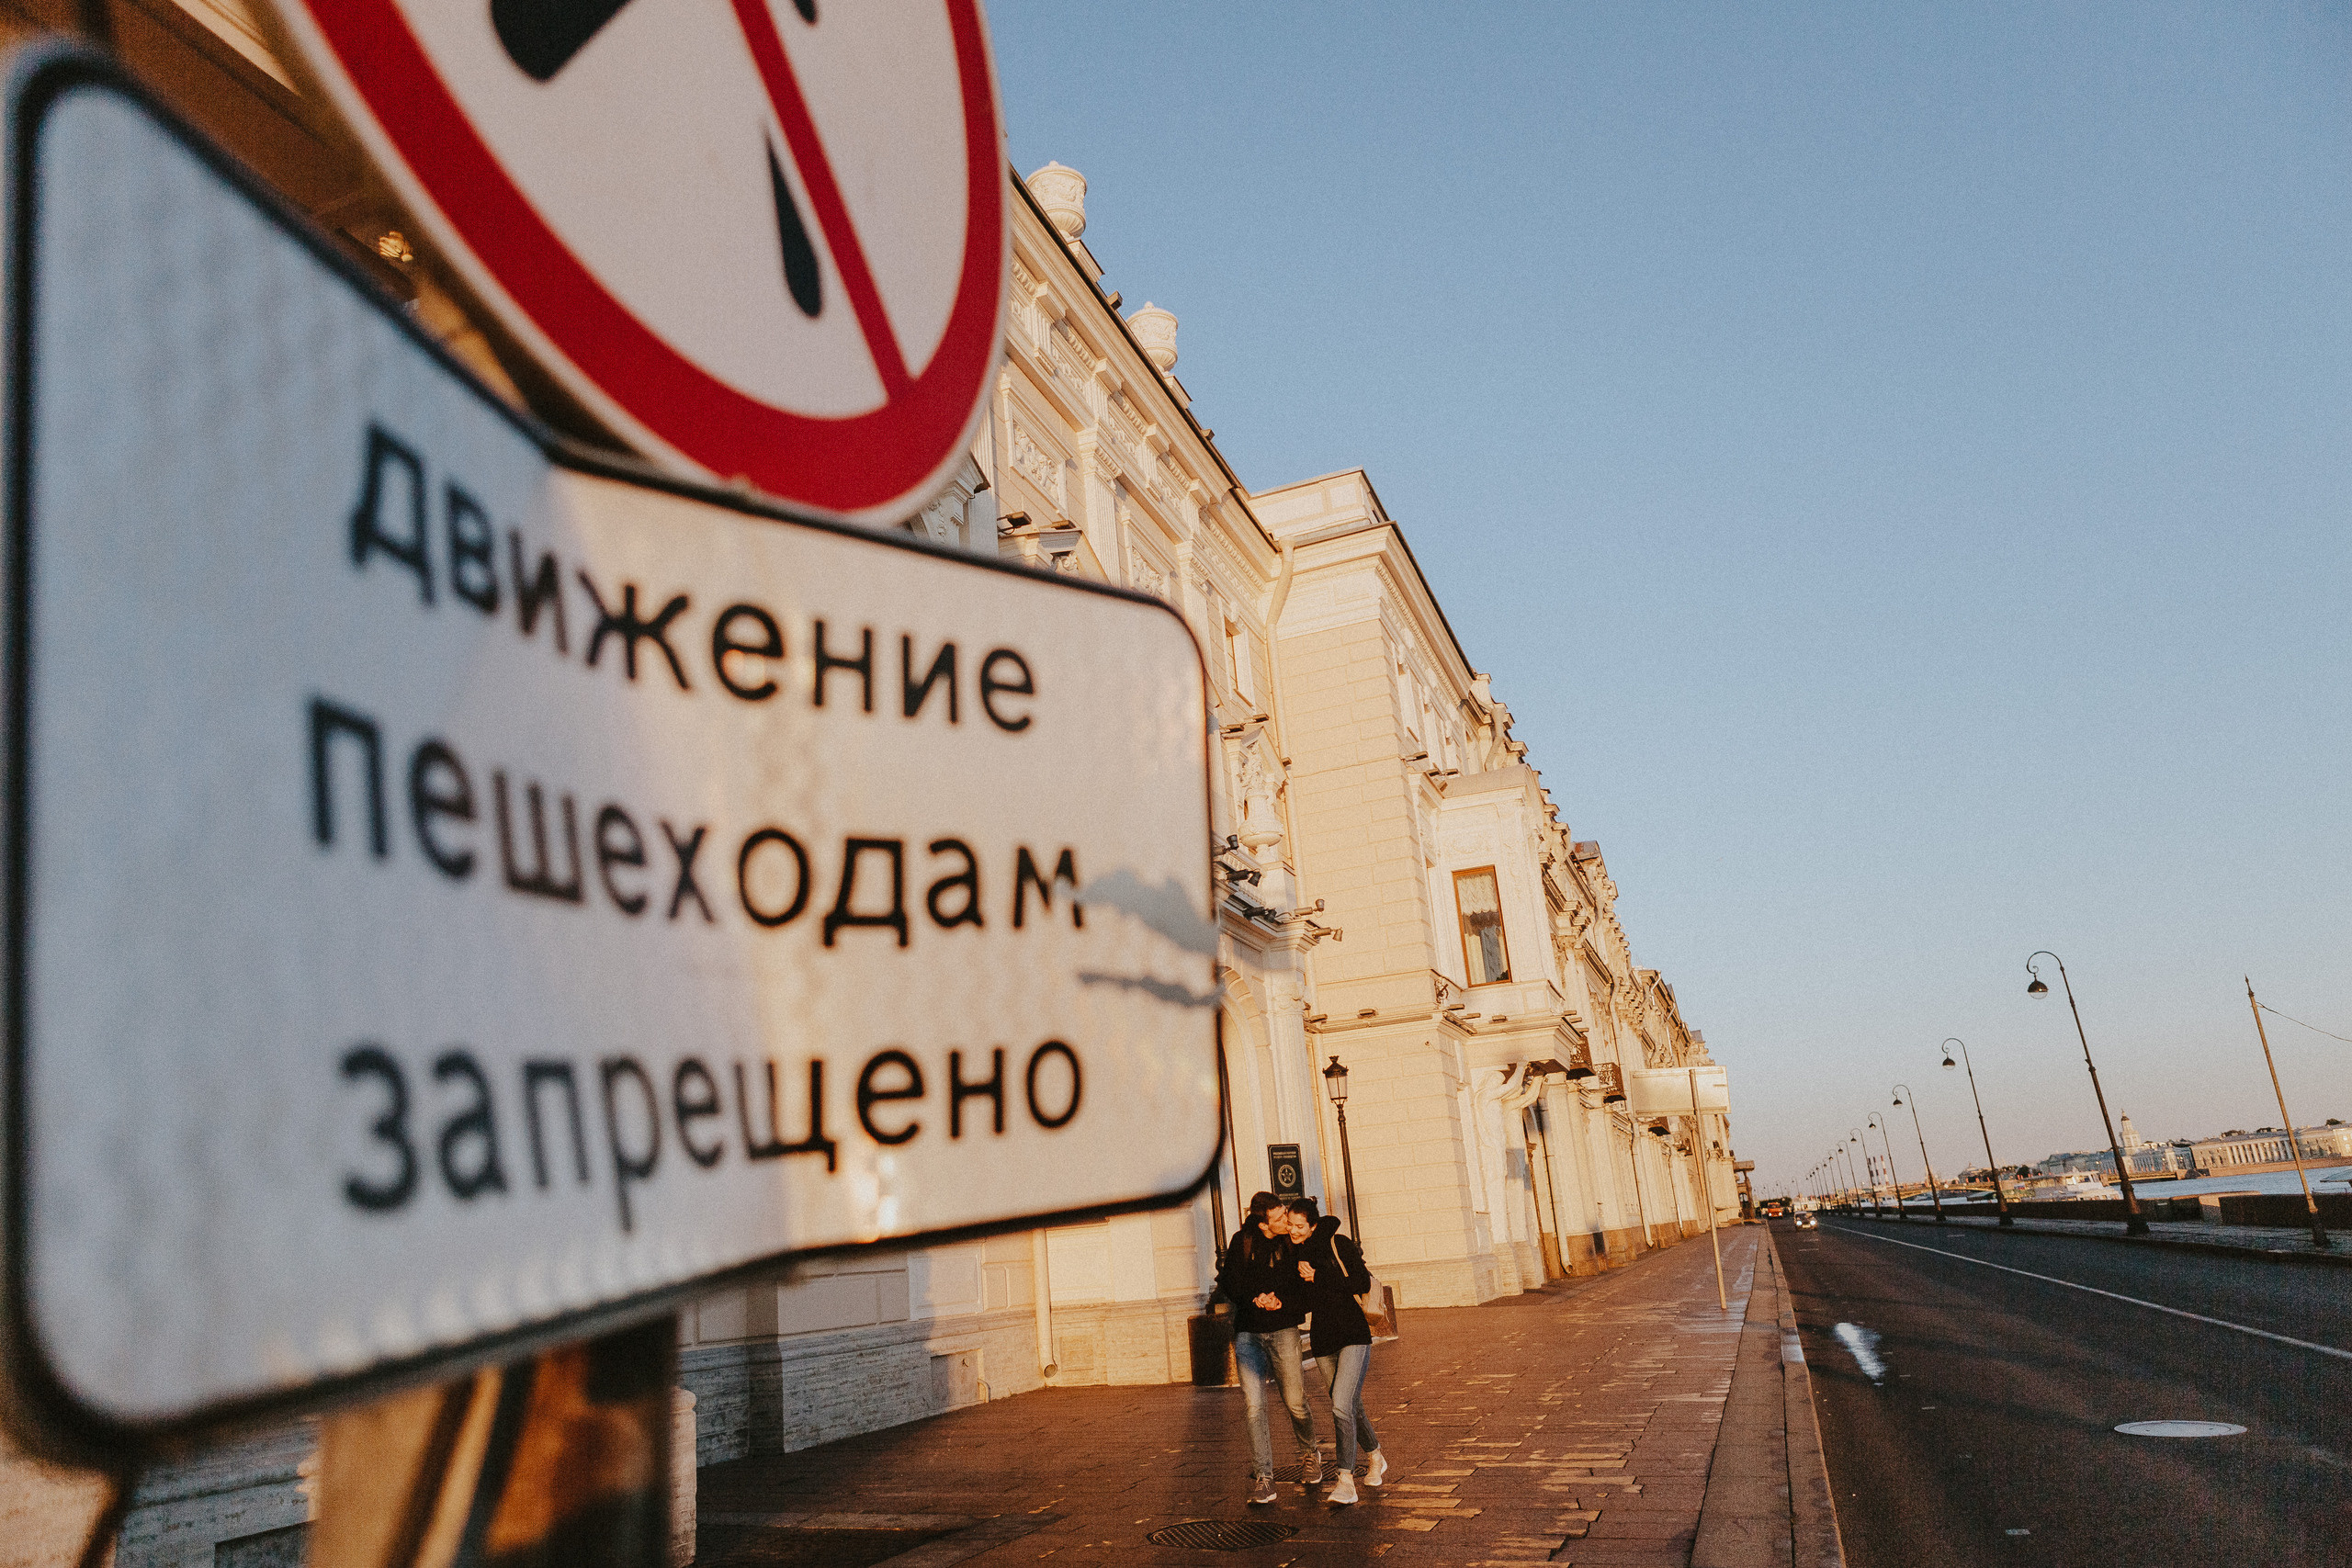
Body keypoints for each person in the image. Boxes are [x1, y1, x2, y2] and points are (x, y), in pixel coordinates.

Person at [1216, 1191, 1319, 1505]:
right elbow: (1230, 1282)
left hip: (1285, 1328)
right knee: (1254, 1405)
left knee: (1295, 1401)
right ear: (1263, 1224)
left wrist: (1281, 1302)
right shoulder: (1241, 1241)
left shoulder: (1293, 1241)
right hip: (1249, 1331)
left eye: (1285, 1215)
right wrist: (1255, 1298)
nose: (1286, 1222)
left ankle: (1310, 1454)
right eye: (1278, 1219)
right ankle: (1264, 1477)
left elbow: (1303, 1285)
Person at [1286, 1197, 1388, 1505]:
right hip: (1323, 1339)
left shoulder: (1337, 1243)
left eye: (1299, 1225)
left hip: (1353, 1334)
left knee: (1341, 1405)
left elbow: (1360, 1281)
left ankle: (1345, 1479)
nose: (1293, 1230)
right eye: (1290, 1225)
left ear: (1312, 1224)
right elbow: (1305, 1302)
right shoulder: (1296, 1254)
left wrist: (1318, 1276)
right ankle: (1376, 1457)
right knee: (1350, 1404)